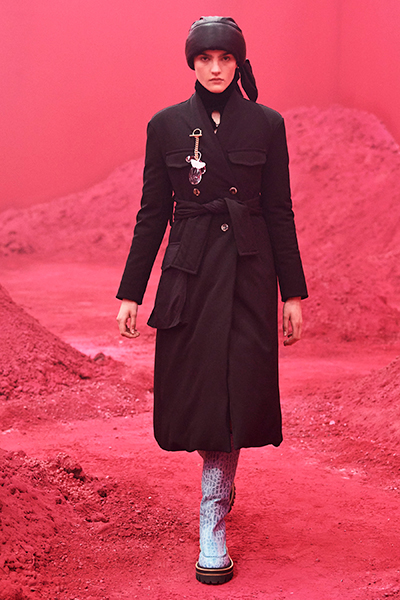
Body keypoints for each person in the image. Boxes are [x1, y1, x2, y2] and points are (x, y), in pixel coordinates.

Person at [116, 16, 308, 585]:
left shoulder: (267, 124)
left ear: (238, 62)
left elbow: (280, 211)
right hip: (190, 272)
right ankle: (218, 486)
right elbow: (153, 213)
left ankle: (212, 517)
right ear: (192, 64)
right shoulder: (166, 125)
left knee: (236, 391)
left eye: (226, 58)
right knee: (199, 390)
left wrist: (293, 292)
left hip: (250, 272)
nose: (216, 68)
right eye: (205, 59)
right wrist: (130, 291)